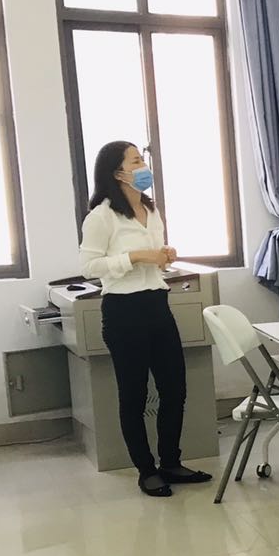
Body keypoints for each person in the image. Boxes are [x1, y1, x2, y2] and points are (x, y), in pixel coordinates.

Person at [79, 141, 213, 498]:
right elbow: (89, 266)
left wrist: (164, 256)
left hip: (157, 305)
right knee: (134, 395)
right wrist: (135, 256)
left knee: (175, 389)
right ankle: (146, 470)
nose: (143, 166)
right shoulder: (102, 216)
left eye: (143, 159)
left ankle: (171, 462)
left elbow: (156, 262)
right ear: (117, 172)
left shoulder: (151, 210)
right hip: (123, 311)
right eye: (136, 161)